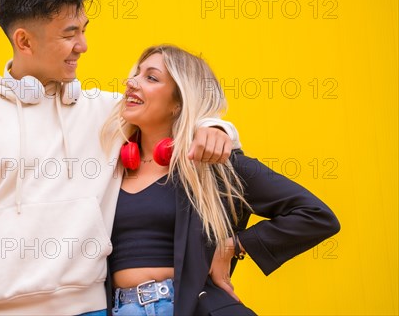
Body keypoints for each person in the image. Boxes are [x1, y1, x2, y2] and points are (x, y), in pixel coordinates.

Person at [0, 0, 240, 315]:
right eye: (69, 33)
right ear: (24, 41)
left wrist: (216, 127)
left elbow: (177, 111)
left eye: (83, 29)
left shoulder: (107, 114)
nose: (82, 45)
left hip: (89, 310)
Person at [101, 45, 341, 315]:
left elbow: (316, 215)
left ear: (179, 102)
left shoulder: (212, 167)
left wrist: (235, 245)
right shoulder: (108, 166)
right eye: (135, 74)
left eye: (151, 77)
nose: (131, 83)